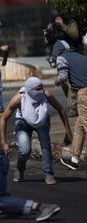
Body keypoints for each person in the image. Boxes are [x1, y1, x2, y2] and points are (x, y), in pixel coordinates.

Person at [0, 77, 72, 185]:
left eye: (41, 88)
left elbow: (60, 109)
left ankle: (48, 173)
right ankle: (20, 169)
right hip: (23, 122)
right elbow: (3, 118)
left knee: (46, 146)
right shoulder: (19, 98)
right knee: (24, 150)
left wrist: (68, 132)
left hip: (42, 120)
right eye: (37, 89)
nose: (40, 91)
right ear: (28, 89)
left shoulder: (46, 94)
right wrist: (3, 142)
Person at [53, 40, 87, 170]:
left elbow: (62, 77)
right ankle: (75, 159)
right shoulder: (82, 56)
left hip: (84, 93)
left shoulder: (62, 58)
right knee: (79, 127)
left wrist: (56, 82)